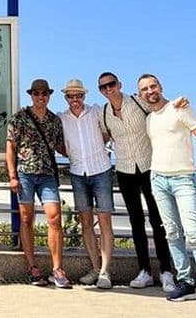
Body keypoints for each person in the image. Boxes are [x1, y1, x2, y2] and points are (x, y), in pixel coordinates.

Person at [137, 74, 196, 315]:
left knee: (194, 234)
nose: (150, 91)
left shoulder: (179, 108)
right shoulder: (149, 119)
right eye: (144, 89)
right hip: (158, 179)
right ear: (141, 94)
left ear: (161, 86)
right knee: (172, 233)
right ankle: (186, 283)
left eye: (152, 86)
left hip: (183, 179)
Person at [96, 71, 176, 292]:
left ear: (119, 84)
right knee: (136, 222)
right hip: (124, 171)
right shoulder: (103, 113)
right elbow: (102, 137)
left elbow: (162, 108)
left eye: (111, 84)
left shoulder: (138, 102)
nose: (108, 89)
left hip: (150, 167)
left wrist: (178, 103)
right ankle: (144, 271)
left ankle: (166, 271)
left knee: (158, 221)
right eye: (103, 87)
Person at [6, 79, 72, 288]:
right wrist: (12, 175)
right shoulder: (19, 118)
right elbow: (10, 147)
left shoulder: (54, 120)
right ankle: (32, 267)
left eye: (44, 93)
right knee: (26, 219)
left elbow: (62, 146)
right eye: (36, 93)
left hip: (47, 174)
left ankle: (58, 269)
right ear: (31, 95)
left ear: (49, 95)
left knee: (54, 218)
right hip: (25, 173)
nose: (40, 97)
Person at [57, 79, 114, 289]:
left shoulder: (97, 112)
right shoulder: (61, 118)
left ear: (84, 96)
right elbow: (59, 143)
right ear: (66, 98)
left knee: (105, 221)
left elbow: (109, 132)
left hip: (101, 170)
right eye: (71, 96)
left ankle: (105, 272)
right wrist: (71, 154)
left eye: (78, 96)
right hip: (77, 173)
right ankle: (95, 267)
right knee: (86, 223)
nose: (75, 100)